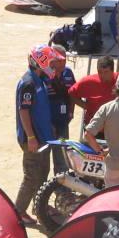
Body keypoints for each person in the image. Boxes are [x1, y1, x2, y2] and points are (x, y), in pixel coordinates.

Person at [14, 44, 63, 225]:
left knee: (43, 172)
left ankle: (39, 206)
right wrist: (31, 137)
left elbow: (40, 109)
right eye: (50, 61)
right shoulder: (28, 83)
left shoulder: (40, 79)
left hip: (44, 137)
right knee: (32, 176)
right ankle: (18, 211)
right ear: (39, 62)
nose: (53, 65)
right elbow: (24, 111)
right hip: (33, 140)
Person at [44, 43, 75, 173]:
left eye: (64, 60)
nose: (63, 63)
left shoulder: (68, 73)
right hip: (46, 123)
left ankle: (62, 189)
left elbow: (73, 93)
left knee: (62, 154)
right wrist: (47, 123)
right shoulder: (44, 74)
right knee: (43, 157)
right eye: (59, 60)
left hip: (63, 122)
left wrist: (71, 112)